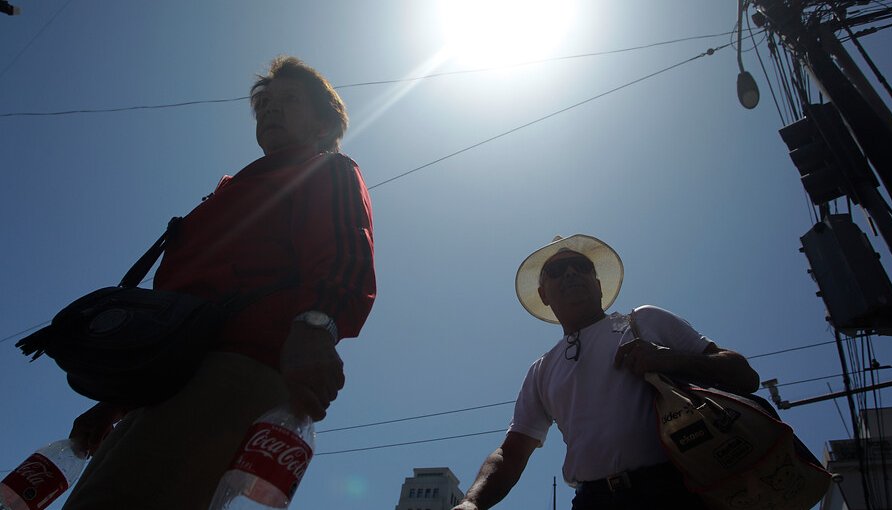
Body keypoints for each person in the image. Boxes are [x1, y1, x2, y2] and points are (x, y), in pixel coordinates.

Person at [62, 56, 376, 510]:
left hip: (234, 368)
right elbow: (173, 307)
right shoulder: (234, 189)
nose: (270, 110)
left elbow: (346, 255)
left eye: (289, 100)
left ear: (325, 126)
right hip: (163, 381)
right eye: (264, 103)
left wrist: (316, 327)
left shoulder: (326, 169)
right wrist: (113, 402)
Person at [452, 234, 759, 510]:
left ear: (597, 285)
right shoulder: (541, 371)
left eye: (580, 266)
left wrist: (668, 359)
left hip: (675, 489)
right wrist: (471, 502)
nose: (570, 272)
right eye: (557, 271)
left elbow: (743, 375)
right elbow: (512, 453)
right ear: (544, 294)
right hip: (591, 501)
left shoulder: (645, 321)